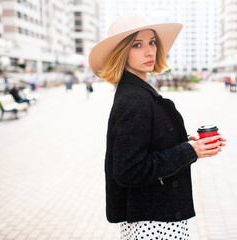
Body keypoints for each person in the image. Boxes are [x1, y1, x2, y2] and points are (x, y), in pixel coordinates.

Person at [88, 13, 226, 239]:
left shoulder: (138, 91)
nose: (149, 51)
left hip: (156, 216)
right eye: (137, 45)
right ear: (121, 52)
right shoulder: (133, 99)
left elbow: (147, 145)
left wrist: (188, 144)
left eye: (152, 42)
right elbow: (128, 170)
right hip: (154, 224)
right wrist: (188, 151)